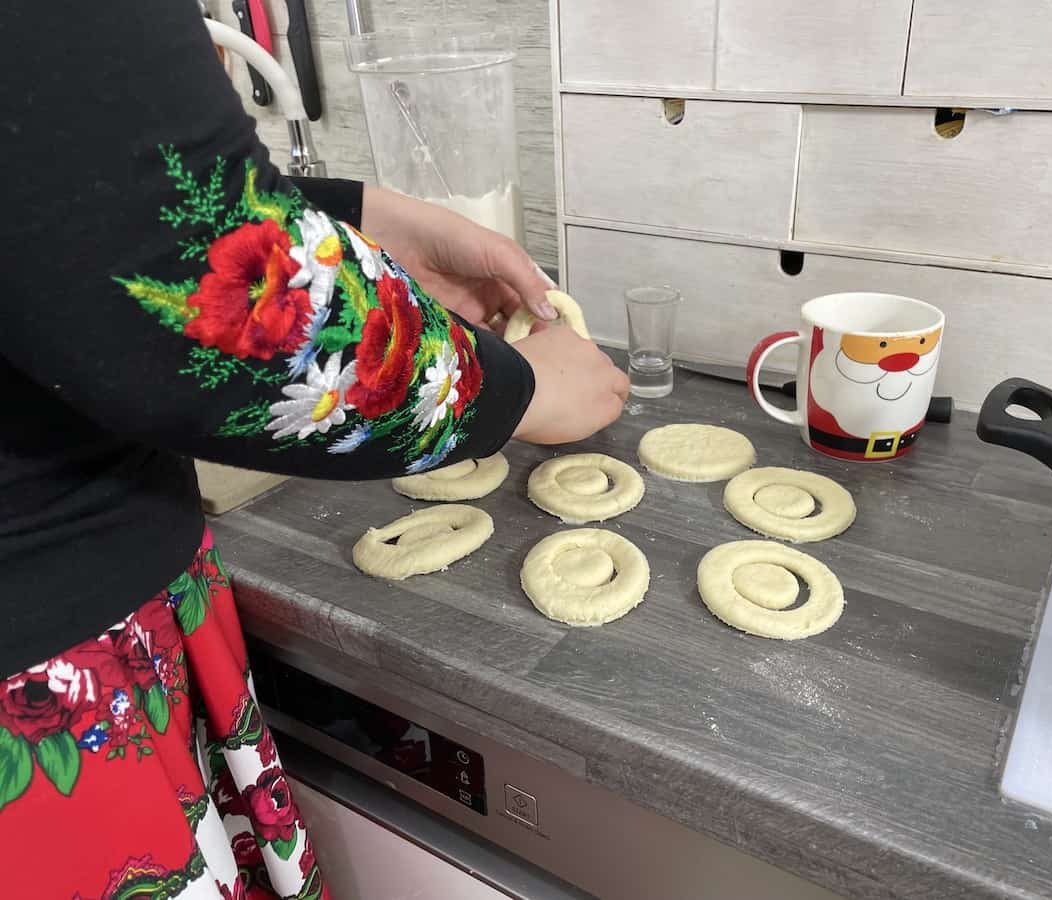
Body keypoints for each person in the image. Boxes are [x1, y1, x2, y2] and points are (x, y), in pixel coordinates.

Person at [0, 1, 628, 896]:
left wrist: (359, 221)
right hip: (44, 684)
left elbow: (71, 202)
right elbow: (192, 281)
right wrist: (514, 391)